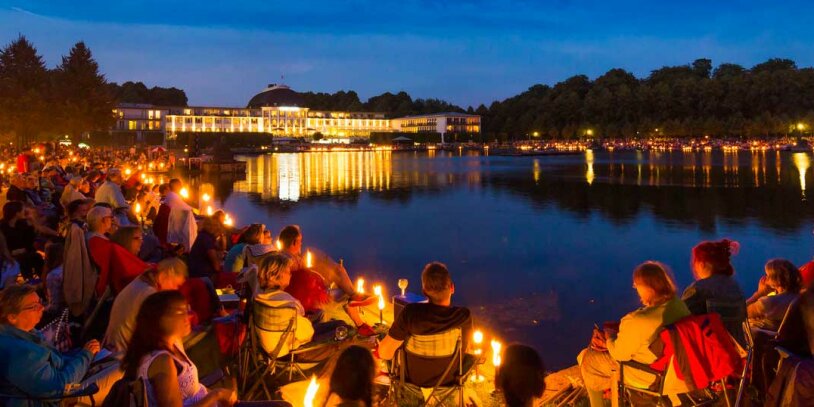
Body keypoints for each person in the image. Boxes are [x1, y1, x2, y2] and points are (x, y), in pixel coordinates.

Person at [579, 261, 690, 407]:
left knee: (589, 360)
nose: (635, 289)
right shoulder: (677, 304)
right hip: (677, 369)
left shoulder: (638, 319)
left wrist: (609, 337)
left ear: (646, 288)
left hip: (651, 375)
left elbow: (620, 355)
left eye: (636, 285)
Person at [121, 290, 235, 407]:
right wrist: (217, 394)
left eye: (188, 309)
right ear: (162, 320)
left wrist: (219, 396)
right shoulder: (162, 361)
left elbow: (193, 389)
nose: (188, 316)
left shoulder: (174, 343)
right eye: (181, 312)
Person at [0, 285, 101, 406]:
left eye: (40, 302)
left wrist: (84, 353)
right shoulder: (19, 352)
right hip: (60, 398)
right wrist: (86, 355)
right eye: (34, 306)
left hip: (69, 384)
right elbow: (58, 387)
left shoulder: (27, 334)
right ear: (12, 317)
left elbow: (59, 363)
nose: (42, 308)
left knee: (114, 363)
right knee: (119, 373)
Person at [378, 262, 474, 387]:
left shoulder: (411, 314)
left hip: (412, 382)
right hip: (448, 383)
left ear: (424, 291)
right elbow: (467, 350)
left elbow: (384, 353)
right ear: (452, 288)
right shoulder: (463, 317)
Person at [253, 252, 347, 360]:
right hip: (292, 355)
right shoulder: (287, 304)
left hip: (271, 345)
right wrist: (304, 321)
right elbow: (307, 334)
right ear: (276, 276)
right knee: (343, 331)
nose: (290, 274)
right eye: (288, 271)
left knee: (334, 322)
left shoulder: (260, 297)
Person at [105, 258, 188, 353]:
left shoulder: (142, 281)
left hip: (113, 345)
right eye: (175, 285)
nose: (175, 290)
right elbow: (158, 334)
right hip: (123, 352)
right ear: (165, 275)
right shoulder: (149, 294)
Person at [278, 225, 374, 307]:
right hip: (310, 295)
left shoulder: (280, 257)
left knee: (336, 271)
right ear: (294, 242)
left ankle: (353, 295)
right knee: (340, 276)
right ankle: (354, 296)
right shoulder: (291, 262)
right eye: (300, 241)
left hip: (307, 290)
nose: (301, 244)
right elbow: (303, 284)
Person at [681, 239, 746, 343]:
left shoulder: (698, 289)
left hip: (710, 352)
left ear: (702, 264)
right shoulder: (734, 286)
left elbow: (680, 321)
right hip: (737, 351)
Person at [747, 259, 802, 331]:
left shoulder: (768, 302)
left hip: (766, 340)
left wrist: (759, 293)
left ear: (776, 279)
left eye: (767, 275)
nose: (765, 278)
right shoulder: (800, 298)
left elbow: (741, 313)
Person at [0, 201, 41, 280]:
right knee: (24, 260)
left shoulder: (22, 223)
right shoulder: (2, 227)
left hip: (24, 252)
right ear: (17, 213)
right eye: (22, 210)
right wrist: (12, 252)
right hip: (8, 255)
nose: (24, 212)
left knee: (36, 257)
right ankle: (29, 280)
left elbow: (30, 239)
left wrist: (32, 222)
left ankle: (41, 280)